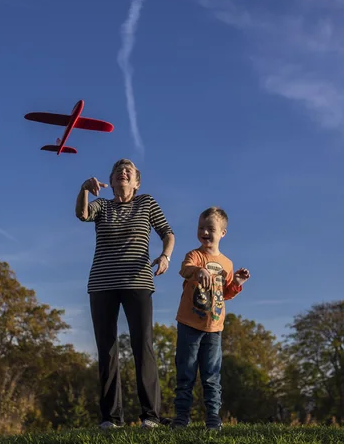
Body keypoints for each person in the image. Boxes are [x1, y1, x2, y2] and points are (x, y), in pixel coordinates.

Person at [75, 158, 176, 429]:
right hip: (102, 284)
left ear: (136, 182)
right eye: (119, 170)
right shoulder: (102, 206)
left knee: (142, 345)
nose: (123, 172)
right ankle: (111, 418)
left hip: (138, 281)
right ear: (111, 180)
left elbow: (167, 233)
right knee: (107, 349)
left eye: (128, 170)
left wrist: (165, 256)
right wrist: (84, 189)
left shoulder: (146, 203)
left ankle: (151, 416)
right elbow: (82, 215)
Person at [171, 206, 250, 431]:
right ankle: (181, 417)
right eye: (201, 228)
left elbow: (224, 294)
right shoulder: (194, 256)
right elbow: (185, 269)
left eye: (210, 228)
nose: (205, 232)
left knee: (211, 375)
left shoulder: (227, 263)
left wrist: (237, 283)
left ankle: (213, 418)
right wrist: (199, 271)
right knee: (185, 372)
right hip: (189, 323)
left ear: (222, 233)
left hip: (214, 327)